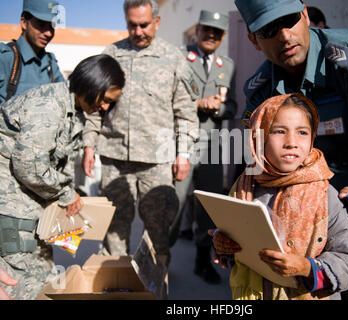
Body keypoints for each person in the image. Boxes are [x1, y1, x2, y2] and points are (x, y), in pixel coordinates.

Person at [234, 0, 348, 299]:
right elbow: (257, 158)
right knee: (320, 283)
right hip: (314, 194)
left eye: (290, 19)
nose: (284, 35)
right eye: (269, 29)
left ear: (305, 14)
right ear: (253, 40)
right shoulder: (260, 90)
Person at [210, 93, 348, 300]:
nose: (291, 142)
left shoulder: (324, 195)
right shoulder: (244, 186)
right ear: (259, 138)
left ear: (312, 137)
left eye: (302, 132)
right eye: (279, 131)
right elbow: (235, 243)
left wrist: (306, 267)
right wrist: (222, 244)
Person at [82, 0, 199, 267]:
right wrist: (89, 145)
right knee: (113, 231)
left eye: (144, 25)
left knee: (158, 233)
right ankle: (117, 288)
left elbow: (186, 113)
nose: (138, 31)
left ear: (157, 22)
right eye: (132, 25)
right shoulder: (111, 54)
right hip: (114, 159)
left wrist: (183, 154)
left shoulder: (173, 59)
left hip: (157, 163)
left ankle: (156, 290)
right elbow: (92, 107)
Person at [0, 54, 125, 300]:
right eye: (105, 100)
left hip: (31, 206)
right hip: (12, 207)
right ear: (91, 85)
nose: (105, 107)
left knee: (44, 281)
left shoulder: (73, 108)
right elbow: (29, 166)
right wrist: (67, 194)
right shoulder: (48, 107)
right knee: (20, 286)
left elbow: (57, 162)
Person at [173, 10, 237, 284]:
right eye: (207, 29)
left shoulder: (228, 65)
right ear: (197, 30)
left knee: (209, 208)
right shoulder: (179, 57)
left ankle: (202, 261)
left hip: (213, 146)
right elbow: (167, 99)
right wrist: (198, 104)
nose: (211, 35)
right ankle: (159, 259)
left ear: (222, 36)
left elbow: (232, 106)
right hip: (179, 142)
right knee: (172, 205)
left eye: (217, 32)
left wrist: (219, 106)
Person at [0, 0, 65, 103]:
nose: (48, 33)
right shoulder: (5, 58)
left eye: (52, 26)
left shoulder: (50, 64)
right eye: (41, 24)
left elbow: (66, 100)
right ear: (24, 23)